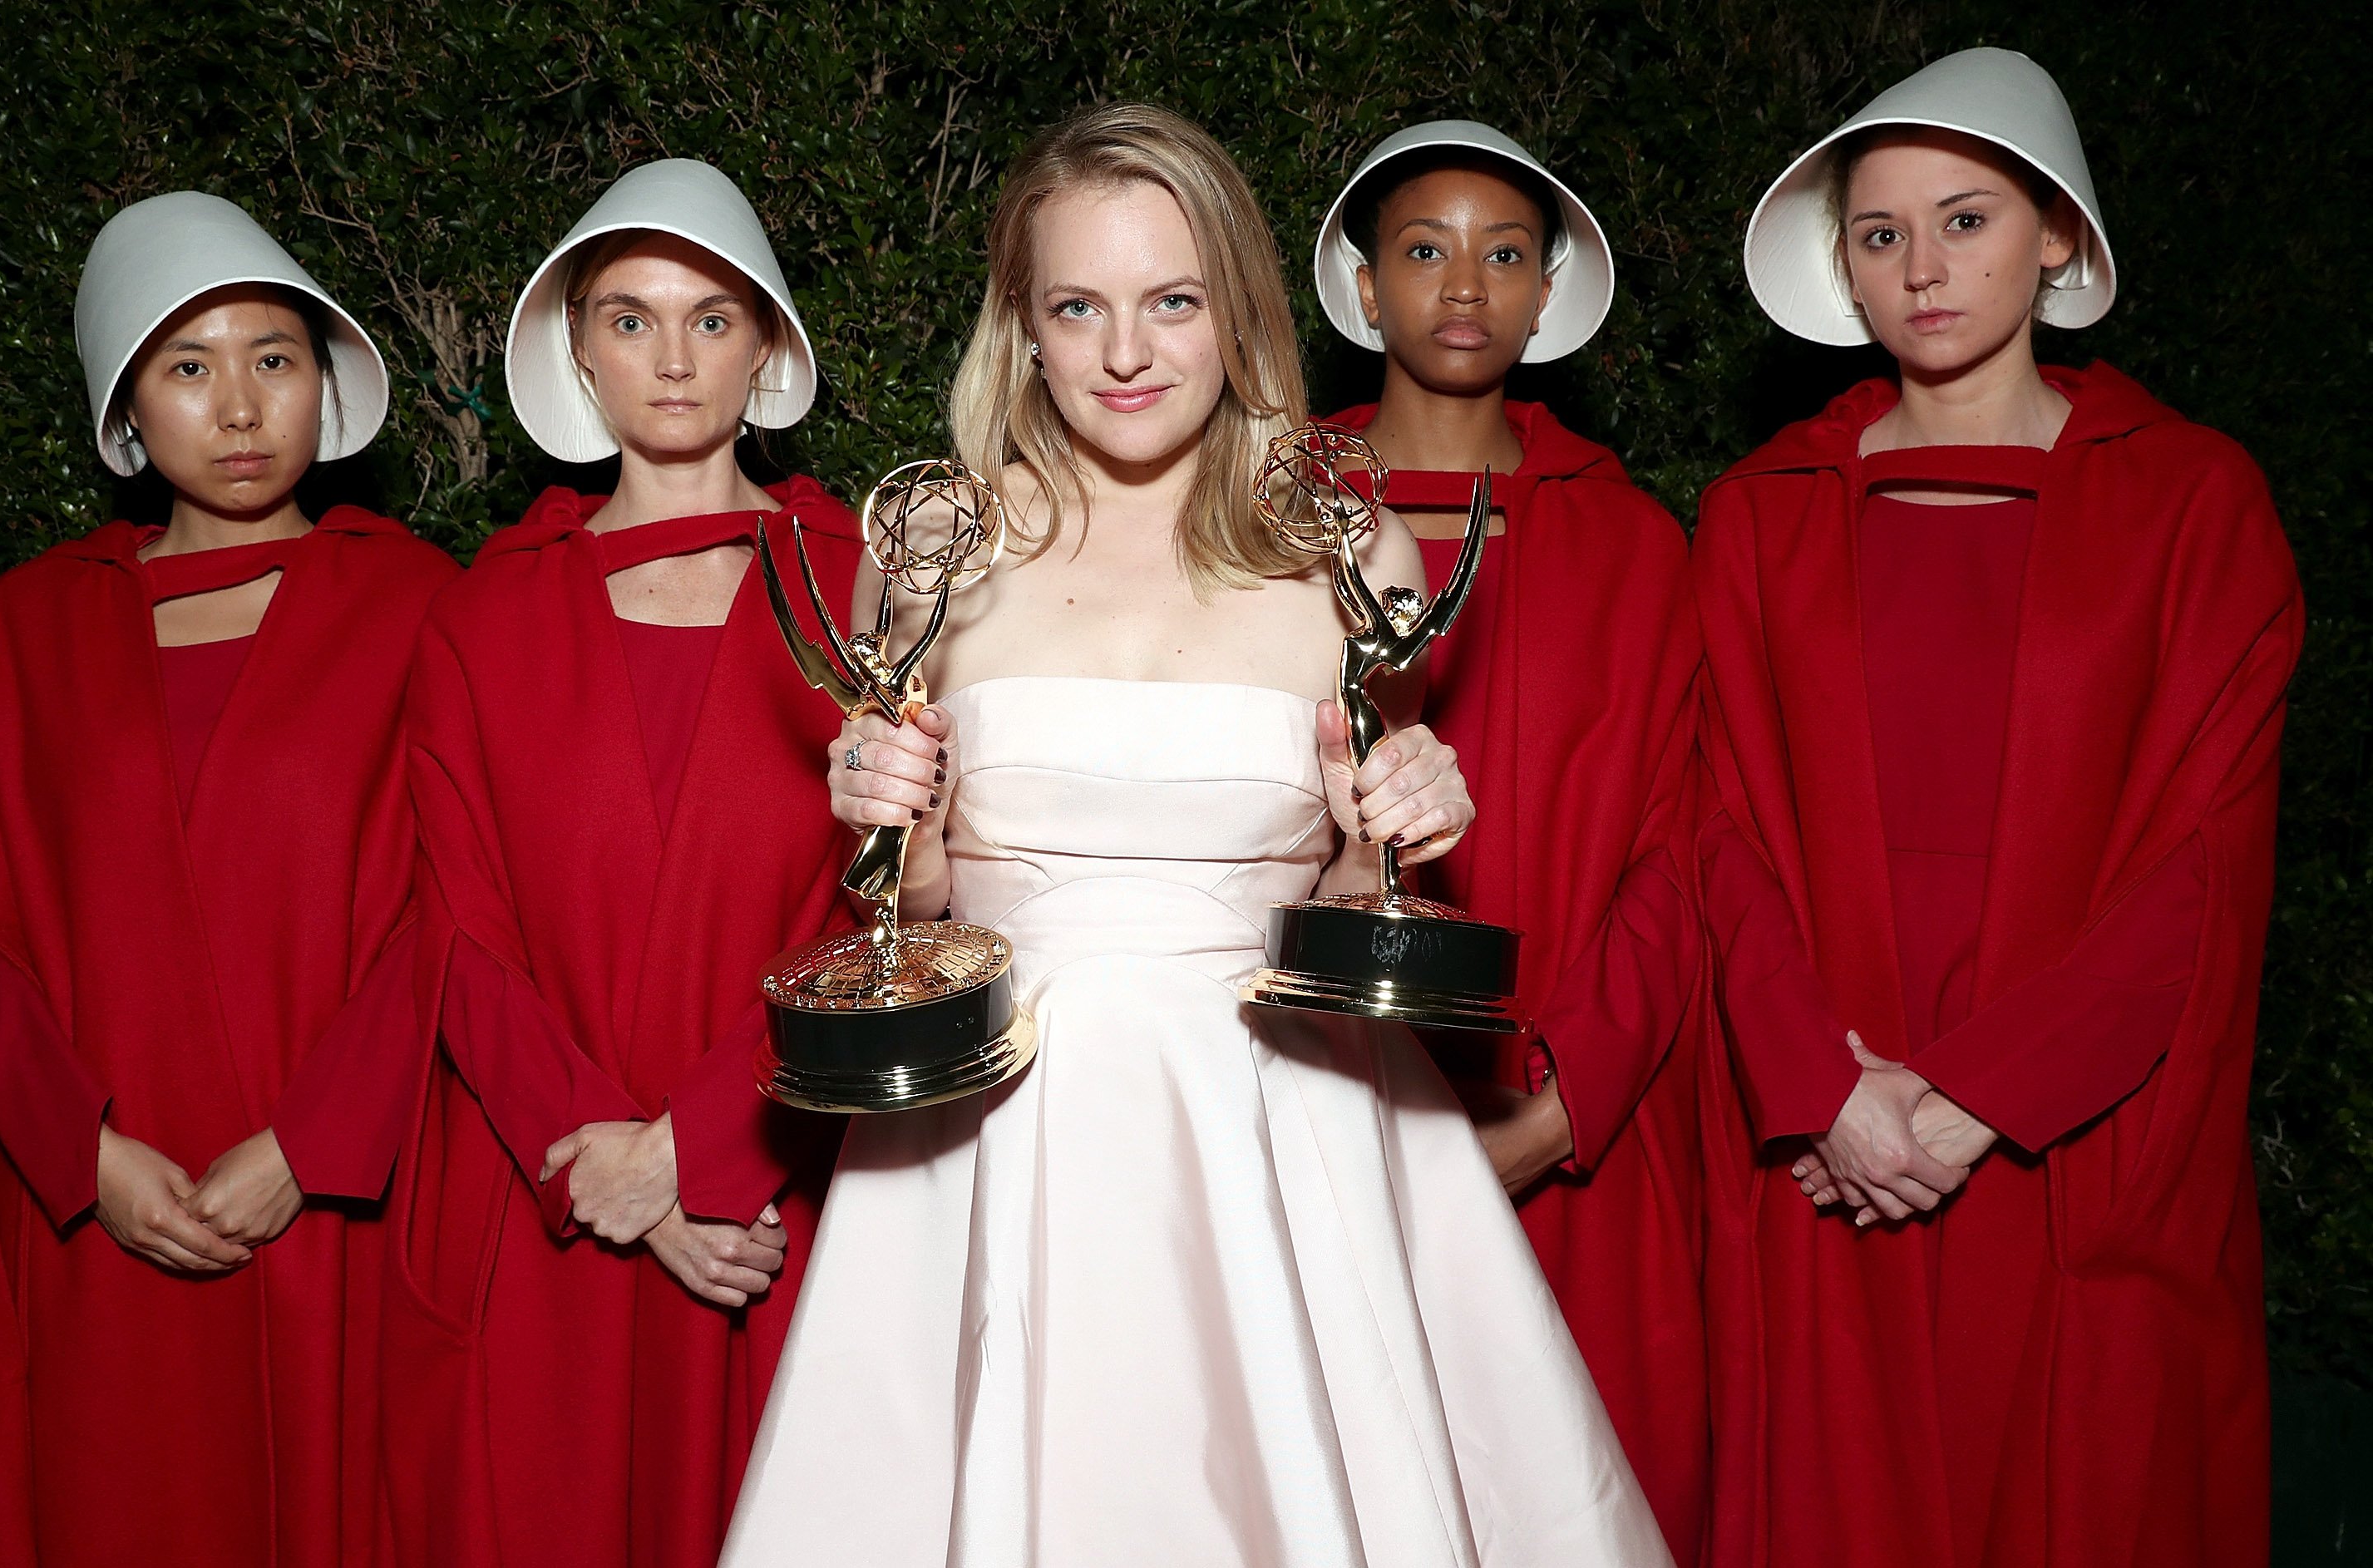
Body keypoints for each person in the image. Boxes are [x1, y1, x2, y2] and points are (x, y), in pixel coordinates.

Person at [721, 103, 1670, 1568]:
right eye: (1077, 306)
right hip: (997, 1135)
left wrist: (1400, 828)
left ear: (1236, 308)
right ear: (1021, 327)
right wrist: (878, 818)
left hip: (1285, 1130)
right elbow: (910, 914)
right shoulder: (933, 547)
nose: (1126, 352)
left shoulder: (1351, 551)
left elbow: (1350, 895)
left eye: (1172, 301)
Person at [1695, 47, 2298, 1568]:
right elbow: (1714, 825)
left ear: (2058, 239)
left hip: (2079, 1144)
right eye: (1880, 233)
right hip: (1831, 1137)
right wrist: (1821, 1082)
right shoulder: (1760, 507)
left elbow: (2205, 867)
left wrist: (1971, 1103)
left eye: (1965, 221)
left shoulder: (2195, 500)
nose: (1922, 268)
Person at [0, 190, 456, 1567]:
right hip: (101, 1210)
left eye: (274, 358)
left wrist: (313, 1142)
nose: (237, 406)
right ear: (124, 407)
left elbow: (451, 911)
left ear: (324, 389)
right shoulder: (24, 632)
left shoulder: (418, 603)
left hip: (333, 1205)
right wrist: (81, 1153)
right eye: (190, 365)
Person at [377, 157, 860, 1566]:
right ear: (576, 351)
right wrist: (618, 1181)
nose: (673, 357)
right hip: (548, 1205)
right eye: (632, 319)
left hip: (787, 1195)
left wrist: (703, 1149)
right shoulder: (483, 616)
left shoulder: (862, 583)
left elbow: (876, 909)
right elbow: (455, 931)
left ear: (767, 346)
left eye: (714, 319)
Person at [1312, 120, 1706, 1561]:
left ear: (1551, 295)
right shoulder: (1257, 514)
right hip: (1309, 1109)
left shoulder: (1637, 542)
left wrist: (1564, 1103)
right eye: (1422, 249)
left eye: (1503, 253)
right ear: (1364, 291)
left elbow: (1683, 847)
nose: (1463, 284)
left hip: (1570, 1132)